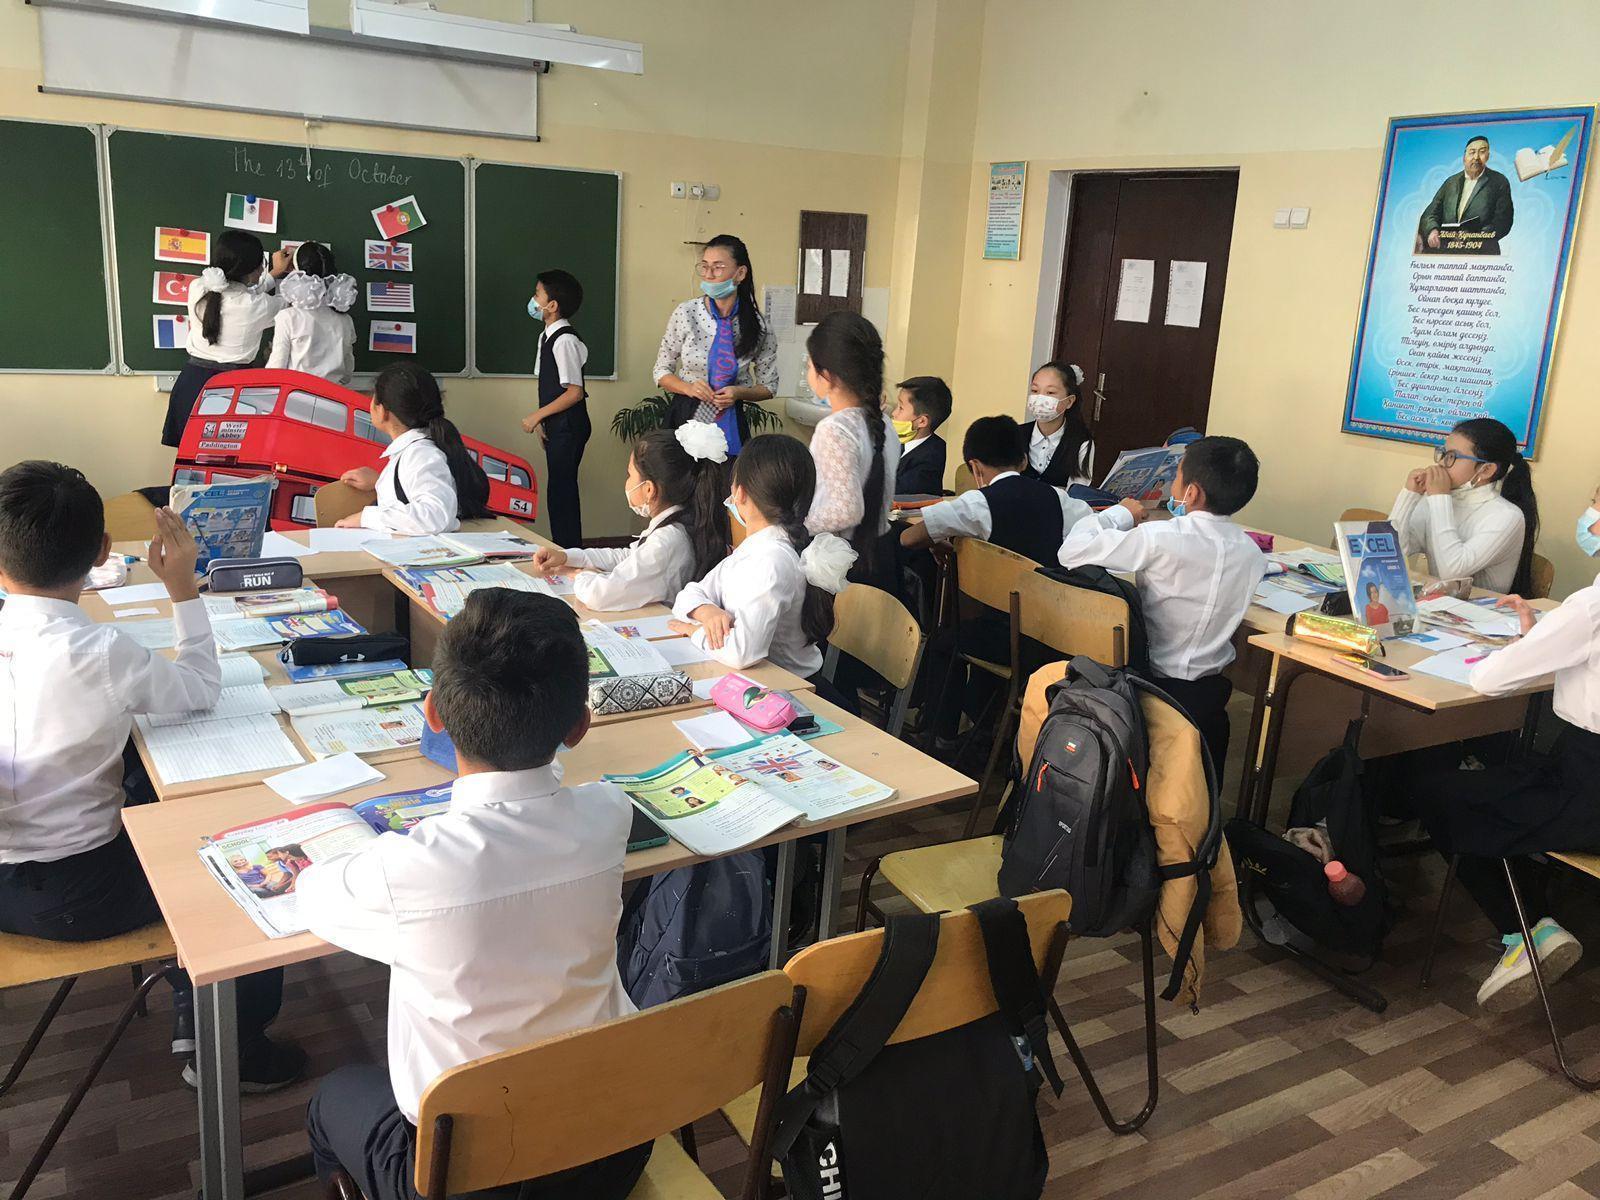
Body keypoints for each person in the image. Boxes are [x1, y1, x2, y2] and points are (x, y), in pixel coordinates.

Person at [299, 589, 650, 1200]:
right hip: (607, 1149)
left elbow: (311, 894)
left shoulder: (413, 868)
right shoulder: (609, 814)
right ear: (580, 727)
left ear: (432, 714)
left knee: (330, 1101)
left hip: (462, 1179)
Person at [0, 461, 301, 1089]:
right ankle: (233, 1050)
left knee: (140, 777)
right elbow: (200, 689)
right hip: (76, 896)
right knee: (247, 855)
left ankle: (194, 1004)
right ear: (103, 552)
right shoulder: (101, 652)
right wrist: (183, 591)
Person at [1400, 570, 1600, 1010]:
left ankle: (1527, 931)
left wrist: (1526, 647)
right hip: (1580, 774)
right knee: (1499, 784)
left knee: (1442, 796)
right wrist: (1539, 639)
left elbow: (1488, 680)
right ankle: (1537, 921)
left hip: (1586, 793)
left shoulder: (1590, 607)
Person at [906, 415, 1136, 744]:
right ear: (1024, 460)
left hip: (1002, 636)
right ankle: (990, 730)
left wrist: (945, 543)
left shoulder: (978, 503)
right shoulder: (1059, 499)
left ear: (975, 468)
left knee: (946, 639)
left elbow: (909, 538)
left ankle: (939, 735)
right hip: (1051, 635)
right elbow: (1090, 528)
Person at [1057, 436, 1265, 775]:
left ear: (1192, 493)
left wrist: (1118, 515)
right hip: (1210, 697)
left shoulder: (1161, 537)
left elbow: (1071, 552)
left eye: (1177, 476)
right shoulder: (1253, 555)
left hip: (1150, 688)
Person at [669, 433, 854, 685]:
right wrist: (707, 611)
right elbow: (689, 595)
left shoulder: (772, 560)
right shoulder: (756, 549)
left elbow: (742, 653)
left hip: (791, 690)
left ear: (740, 493)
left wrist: (694, 631)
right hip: (763, 683)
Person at [531, 423, 730, 611]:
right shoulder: (676, 525)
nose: (626, 482)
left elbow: (600, 595)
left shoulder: (668, 541)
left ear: (649, 489)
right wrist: (568, 557)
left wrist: (579, 575)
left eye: (630, 475)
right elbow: (627, 557)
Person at [160, 230, 292, 447]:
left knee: (190, 456)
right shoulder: (258, 306)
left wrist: (272, 274)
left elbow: (238, 295)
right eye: (261, 264)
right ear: (252, 270)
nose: (263, 269)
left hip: (192, 384)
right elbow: (293, 300)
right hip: (234, 388)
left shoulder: (198, 288)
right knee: (229, 456)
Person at [653, 234, 777, 454]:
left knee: (727, 472)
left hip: (730, 417)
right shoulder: (686, 313)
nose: (709, 275)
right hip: (685, 412)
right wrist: (689, 388)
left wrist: (738, 393)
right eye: (704, 267)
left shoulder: (759, 325)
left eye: (718, 267)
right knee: (681, 472)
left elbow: (768, 387)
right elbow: (661, 371)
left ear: (740, 273)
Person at [1388, 417, 1539, 595]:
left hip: (1480, 609)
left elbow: (1452, 572)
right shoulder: (1438, 499)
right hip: (1439, 604)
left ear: (1486, 470)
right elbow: (1391, 554)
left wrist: (1440, 498)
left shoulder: (1507, 516)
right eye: (1443, 453)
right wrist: (1409, 495)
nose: (1441, 463)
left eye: (1452, 457)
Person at [336, 363, 491, 535]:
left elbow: (435, 517)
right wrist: (380, 483)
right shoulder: (418, 450)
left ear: (383, 411)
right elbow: (414, 489)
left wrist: (366, 517)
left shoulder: (421, 454)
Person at [803, 312, 899, 583]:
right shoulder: (884, 423)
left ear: (826, 375)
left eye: (809, 364)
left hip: (845, 561)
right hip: (881, 551)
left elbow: (846, 510)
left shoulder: (835, 429)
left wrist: (790, 524)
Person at [520, 269, 591, 547]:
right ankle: (563, 548)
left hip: (569, 426)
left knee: (562, 492)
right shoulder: (546, 337)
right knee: (557, 491)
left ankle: (569, 551)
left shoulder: (564, 340)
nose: (533, 299)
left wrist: (536, 416)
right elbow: (550, 386)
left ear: (552, 305)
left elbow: (574, 392)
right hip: (557, 425)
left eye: (537, 294)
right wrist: (543, 422)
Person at [264, 241, 357, 384]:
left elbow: (276, 370)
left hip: (297, 394)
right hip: (334, 394)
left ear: (296, 274)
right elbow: (347, 374)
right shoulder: (345, 320)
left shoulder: (288, 317)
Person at [1416, 135, 1515, 255]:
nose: (1476, 157)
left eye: (1482, 152)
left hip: (1481, 252)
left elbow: (1504, 221)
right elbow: (1429, 214)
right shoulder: (1451, 182)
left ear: (1488, 156)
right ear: (1464, 157)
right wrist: (1432, 230)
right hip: (1446, 251)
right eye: (1472, 152)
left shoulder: (1499, 181)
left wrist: (1476, 237)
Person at [1021, 360, 1094, 488]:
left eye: (1050, 392)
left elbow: (1077, 493)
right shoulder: (1014, 435)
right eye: (1035, 390)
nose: (1040, 399)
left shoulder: (1081, 442)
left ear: (1069, 401)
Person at [891, 376, 951, 496]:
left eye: (901, 408)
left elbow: (896, 490)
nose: (893, 413)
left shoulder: (932, 454)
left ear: (922, 421)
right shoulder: (897, 441)